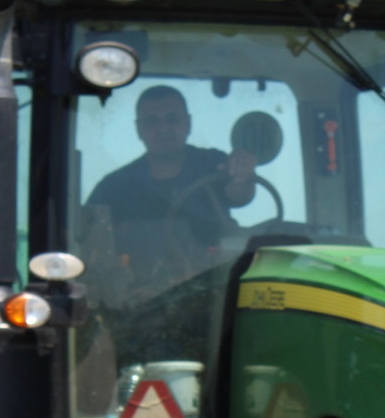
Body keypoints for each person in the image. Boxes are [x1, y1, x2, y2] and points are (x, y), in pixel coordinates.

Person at [85, 84, 258, 286]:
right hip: (140, 300)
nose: (163, 128)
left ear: (188, 123)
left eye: (172, 118)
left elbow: (240, 193)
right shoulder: (113, 187)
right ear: (139, 129)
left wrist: (242, 173)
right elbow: (89, 242)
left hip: (212, 289)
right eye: (152, 121)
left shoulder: (215, 164)